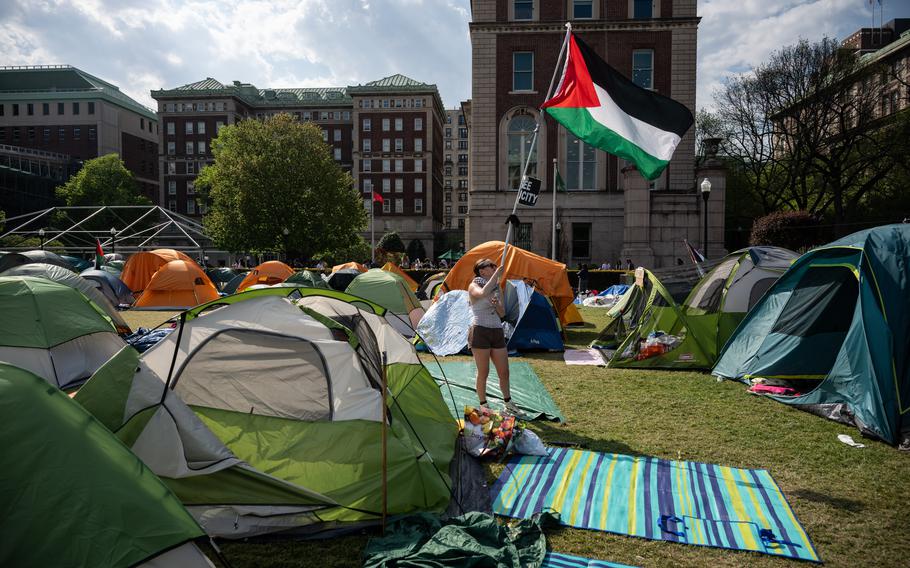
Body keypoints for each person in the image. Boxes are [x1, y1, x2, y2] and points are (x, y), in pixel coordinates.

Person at [469, 258, 518, 415]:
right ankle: (484, 405)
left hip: (497, 330)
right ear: (482, 271)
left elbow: (502, 313)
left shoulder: (497, 288)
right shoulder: (474, 285)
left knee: (504, 371)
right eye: (491, 265)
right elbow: (482, 293)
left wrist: (496, 304)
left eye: (495, 266)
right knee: (483, 371)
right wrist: (497, 275)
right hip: (480, 330)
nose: (495, 267)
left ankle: (508, 403)